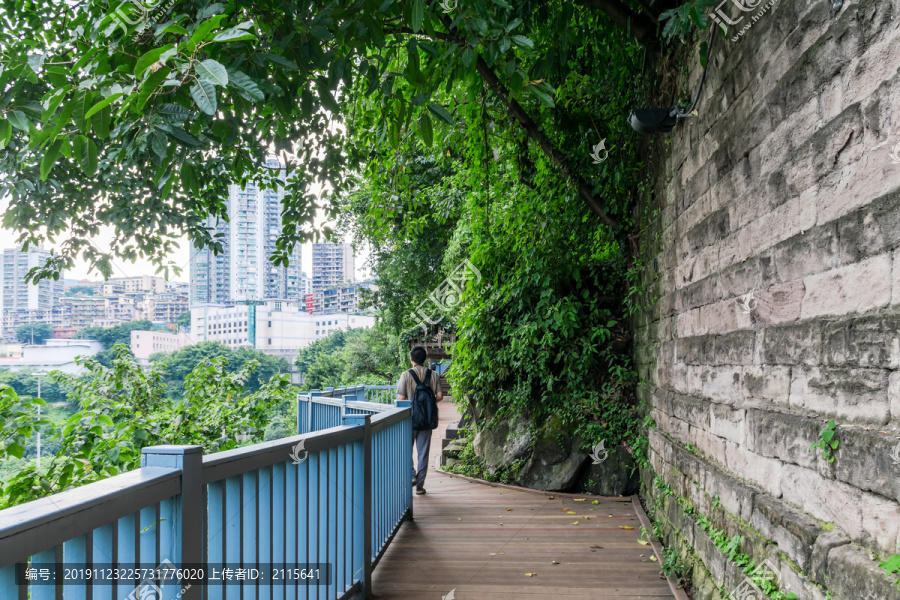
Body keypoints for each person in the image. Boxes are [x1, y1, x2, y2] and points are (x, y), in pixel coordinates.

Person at [396, 345, 443, 495]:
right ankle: (420, 487)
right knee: (423, 452)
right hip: (427, 420)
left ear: (411, 359)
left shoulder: (406, 375)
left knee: (405, 449)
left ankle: (411, 475)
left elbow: (401, 398)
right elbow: (440, 396)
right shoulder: (433, 375)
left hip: (409, 419)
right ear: (425, 359)